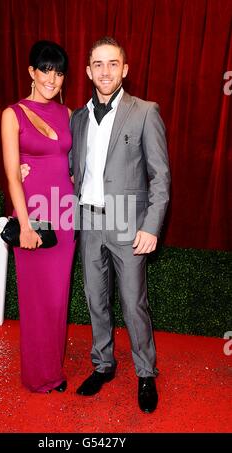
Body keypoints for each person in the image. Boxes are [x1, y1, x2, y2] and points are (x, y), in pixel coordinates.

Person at [70, 37, 171, 413]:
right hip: (89, 221)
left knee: (133, 303)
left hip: (129, 223)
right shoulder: (78, 118)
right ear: (88, 71)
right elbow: (72, 170)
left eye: (113, 64)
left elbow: (160, 176)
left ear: (125, 69)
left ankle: (146, 373)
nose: (106, 71)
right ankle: (103, 364)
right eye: (98, 64)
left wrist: (152, 226)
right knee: (96, 300)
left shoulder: (145, 111)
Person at [1, 40, 75, 393]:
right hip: (33, 215)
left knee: (58, 297)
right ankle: (39, 375)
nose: (52, 78)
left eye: (59, 72)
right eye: (46, 69)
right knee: (36, 298)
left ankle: (53, 367)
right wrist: (26, 225)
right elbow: (13, 174)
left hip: (65, 216)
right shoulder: (11, 114)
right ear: (31, 72)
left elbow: (75, 163)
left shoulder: (68, 114)